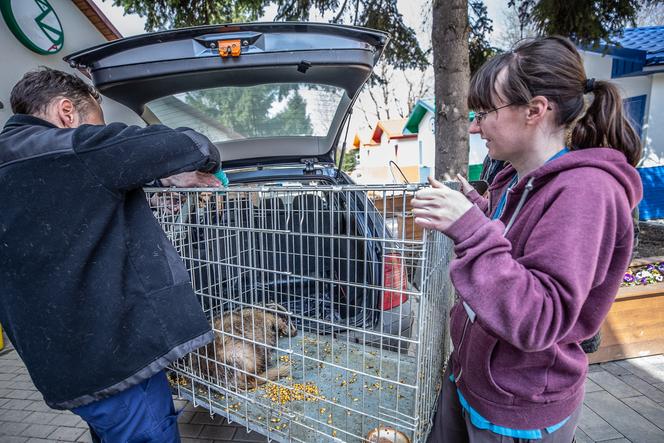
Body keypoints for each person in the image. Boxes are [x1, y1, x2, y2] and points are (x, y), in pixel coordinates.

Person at [412, 36, 642, 442]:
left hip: (516, 407)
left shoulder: (586, 192)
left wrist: (468, 227)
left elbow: (539, 318)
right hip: (470, 377)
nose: (474, 124)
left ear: (535, 110)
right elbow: (515, 251)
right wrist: (477, 211)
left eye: (485, 112)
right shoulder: (513, 176)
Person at [0, 67, 223, 442]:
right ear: (67, 113)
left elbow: (73, 216)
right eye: (95, 125)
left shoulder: (13, 160)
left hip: (61, 365)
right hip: (116, 362)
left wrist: (155, 178)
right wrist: (174, 169)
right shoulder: (71, 148)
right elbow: (191, 145)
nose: (96, 134)